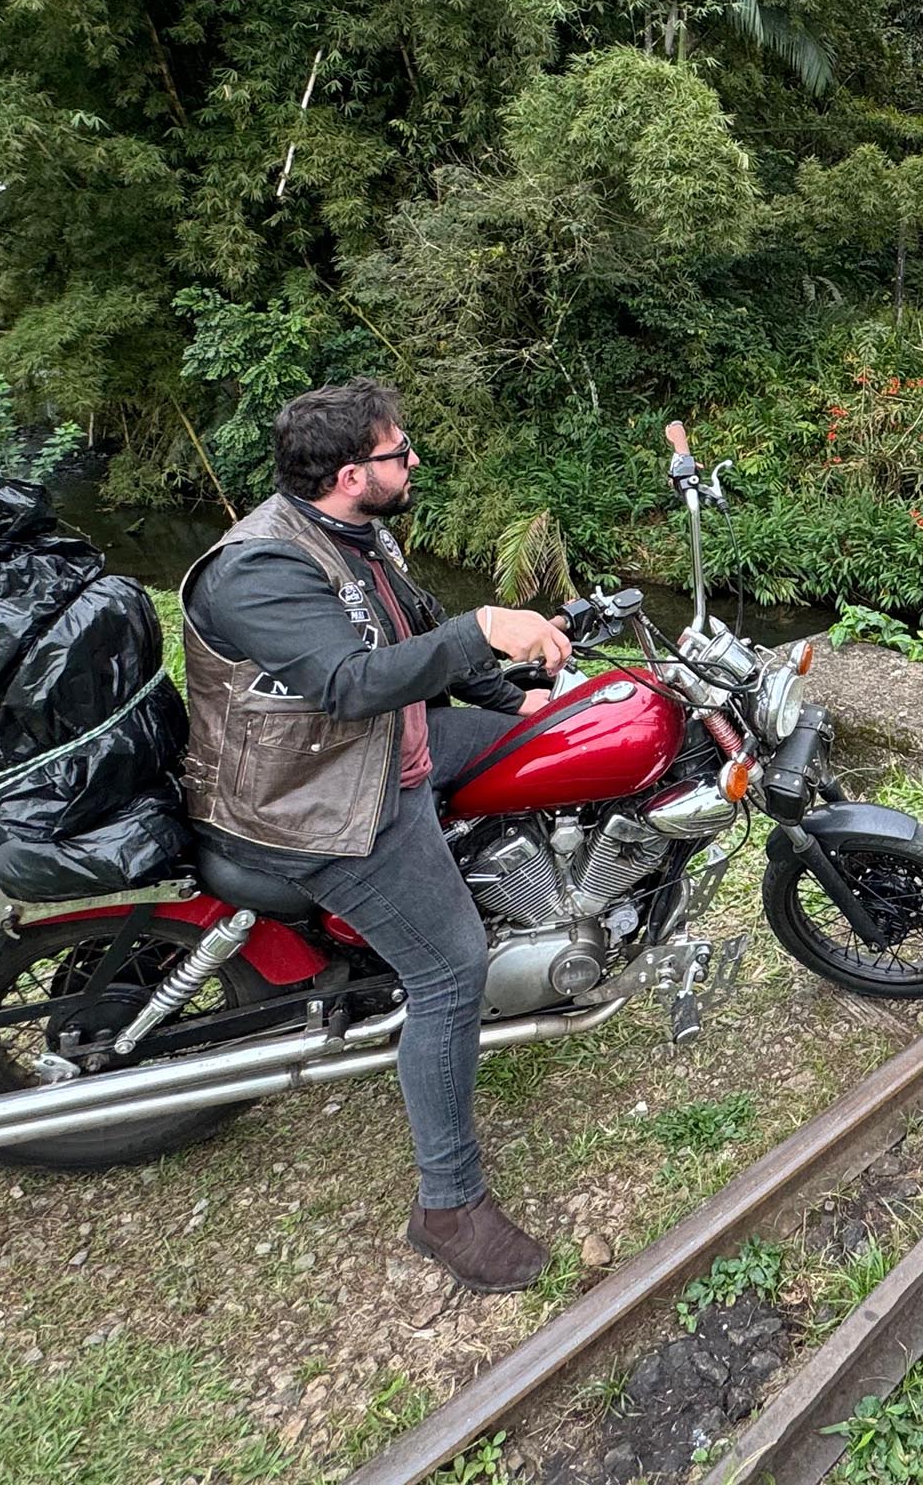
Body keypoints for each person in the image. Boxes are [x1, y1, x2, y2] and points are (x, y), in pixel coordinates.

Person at [177, 378, 572, 1291]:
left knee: (567, 736)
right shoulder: (260, 569)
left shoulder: (355, 534)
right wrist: (487, 626)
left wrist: (522, 696)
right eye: (401, 453)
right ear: (354, 474)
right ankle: (448, 1204)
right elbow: (352, 682)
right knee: (448, 969)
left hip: (387, 750)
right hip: (312, 801)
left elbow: (418, 632)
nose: (415, 461)